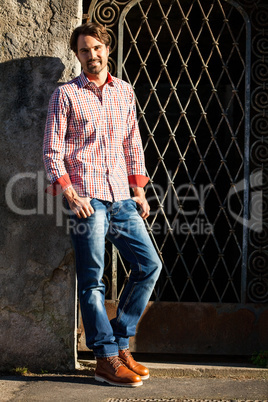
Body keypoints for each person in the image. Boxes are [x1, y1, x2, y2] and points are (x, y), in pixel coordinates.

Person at [43, 21, 162, 387]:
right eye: (84, 50)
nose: (91, 56)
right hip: (86, 199)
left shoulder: (125, 92)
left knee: (149, 265)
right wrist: (70, 194)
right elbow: (52, 151)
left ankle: (119, 340)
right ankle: (104, 357)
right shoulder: (65, 96)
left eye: (96, 48)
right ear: (76, 55)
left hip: (121, 198)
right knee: (92, 280)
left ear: (107, 49)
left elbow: (133, 145)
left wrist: (138, 190)